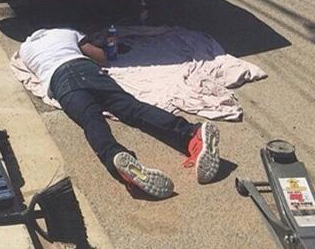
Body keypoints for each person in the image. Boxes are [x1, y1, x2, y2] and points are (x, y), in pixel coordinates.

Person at [19, 28, 220, 199]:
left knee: (92, 121)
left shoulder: (25, 50)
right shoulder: (65, 32)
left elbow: (37, 71)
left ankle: (116, 158)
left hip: (61, 82)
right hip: (85, 68)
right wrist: (102, 47)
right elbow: (101, 58)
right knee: (132, 108)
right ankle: (192, 135)